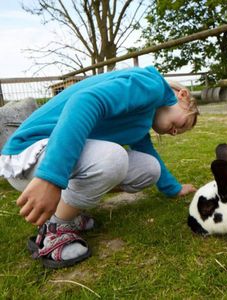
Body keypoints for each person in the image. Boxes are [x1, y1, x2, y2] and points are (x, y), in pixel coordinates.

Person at [0, 66, 199, 269]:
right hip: (29, 154)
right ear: (182, 96)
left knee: (149, 168)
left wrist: (174, 189)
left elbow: (150, 156)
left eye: (178, 133)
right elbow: (85, 101)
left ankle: (68, 210)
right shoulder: (152, 84)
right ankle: (55, 230)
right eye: (183, 124)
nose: (175, 132)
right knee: (114, 157)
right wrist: (51, 177)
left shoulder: (141, 121)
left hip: (50, 159)